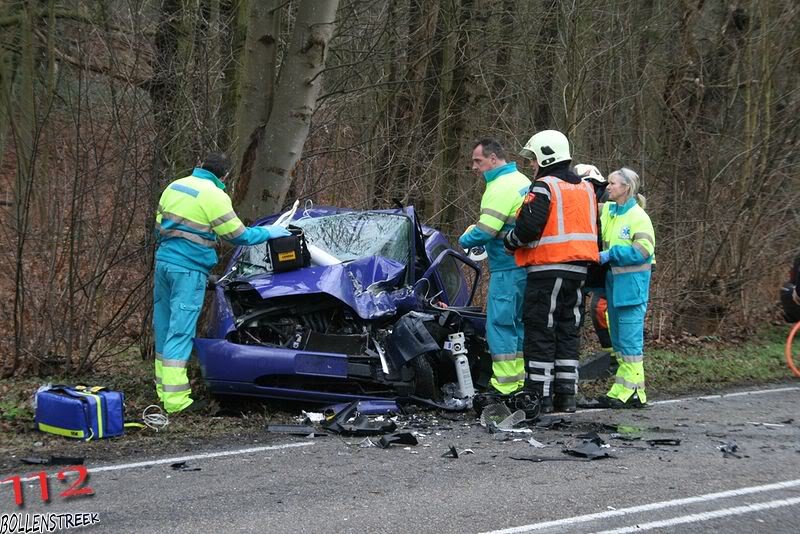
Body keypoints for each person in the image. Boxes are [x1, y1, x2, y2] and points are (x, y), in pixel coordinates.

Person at [153, 152, 290, 413]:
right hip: (189, 270)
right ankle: (176, 403)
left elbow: (159, 226)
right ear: (224, 176)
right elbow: (239, 236)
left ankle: (163, 392)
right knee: (180, 332)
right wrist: (270, 232)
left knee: (163, 326)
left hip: (164, 264)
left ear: (199, 166)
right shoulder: (214, 195)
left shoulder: (174, 186)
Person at [504, 131, 599, 413]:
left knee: (540, 329)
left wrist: (510, 241)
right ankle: (565, 396)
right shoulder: (586, 188)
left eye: (533, 159)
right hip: (579, 271)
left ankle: (539, 396)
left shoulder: (544, 186)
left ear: (546, 156)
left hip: (547, 269)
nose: (532, 165)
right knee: (568, 330)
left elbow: (528, 227)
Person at [460, 139, 531, 396]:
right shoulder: (522, 181)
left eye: (478, 161)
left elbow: (487, 230)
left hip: (506, 268)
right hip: (526, 266)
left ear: (493, 159)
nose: (474, 167)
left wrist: (464, 239)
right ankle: (520, 381)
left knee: (500, 324)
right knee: (518, 324)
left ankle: (505, 385)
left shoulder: (499, 186)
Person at [593, 167, 655, 408]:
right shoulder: (611, 211)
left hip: (631, 290)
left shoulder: (638, 217)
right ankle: (625, 389)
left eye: (613, 184)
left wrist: (612, 254)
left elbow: (643, 251)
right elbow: (589, 205)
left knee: (630, 344)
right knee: (619, 343)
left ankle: (633, 393)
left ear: (626, 188)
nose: (608, 187)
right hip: (615, 289)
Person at [574, 164, 612, 354]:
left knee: (601, 308)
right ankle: (572, 353)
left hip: (607, 265)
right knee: (573, 310)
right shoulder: (571, 200)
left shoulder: (610, 201)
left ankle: (613, 353)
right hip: (583, 263)